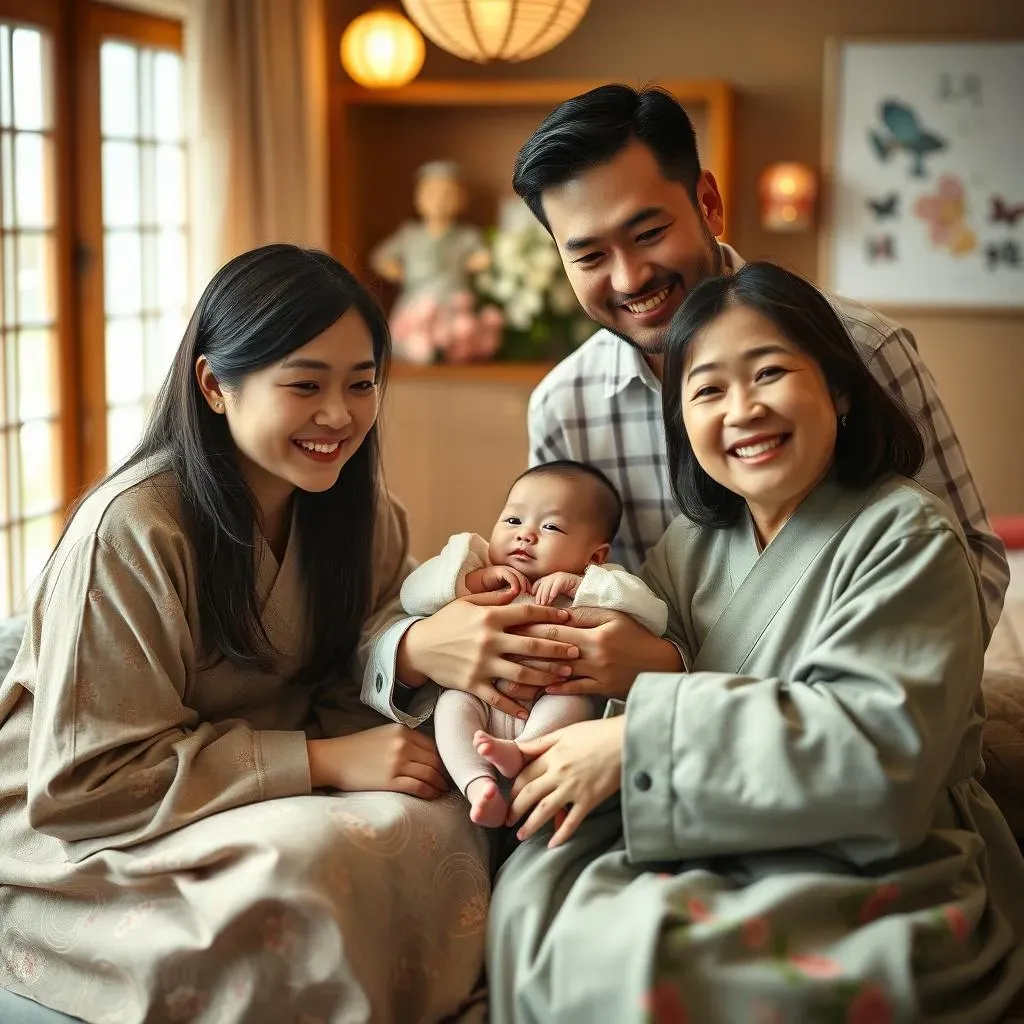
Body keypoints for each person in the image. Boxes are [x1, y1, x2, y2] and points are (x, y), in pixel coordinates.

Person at [0, 244, 576, 1024]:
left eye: (362, 383)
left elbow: (358, 660)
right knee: (304, 868)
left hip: (261, 774)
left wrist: (422, 645)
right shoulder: (133, 529)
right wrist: (322, 760)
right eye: (304, 384)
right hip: (93, 823)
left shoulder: (364, 513)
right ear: (215, 385)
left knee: (443, 811)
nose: (338, 415)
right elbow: (88, 780)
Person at [487, 261, 1024, 1022]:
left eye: (769, 373)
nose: (742, 409)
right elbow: (613, 674)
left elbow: (885, 756)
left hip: (872, 859)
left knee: (704, 975)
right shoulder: (689, 546)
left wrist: (639, 741)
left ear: (838, 390)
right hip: (696, 836)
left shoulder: (908, 533)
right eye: (707, 389)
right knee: (557, 917)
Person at [515, 83, 1009, 651]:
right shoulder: (566, 404)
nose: (629, 279)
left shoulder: (861, 348)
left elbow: (968, 569)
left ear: (708, 203)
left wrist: (747, 706)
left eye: (648, 234)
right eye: (590, 256)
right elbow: (563, 595)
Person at [397, 461, 668, 828]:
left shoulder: (602, 582)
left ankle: (522, 753)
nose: (525, 535)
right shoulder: (471, 562)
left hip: (551, 695)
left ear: (595, 555)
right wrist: (470, 582)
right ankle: (477, 785)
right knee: (451, 705)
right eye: (512, 521)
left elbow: (654, 614)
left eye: (551, 526)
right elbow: (412, 595)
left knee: (573, 705)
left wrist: (582, 586)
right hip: (479, 696)